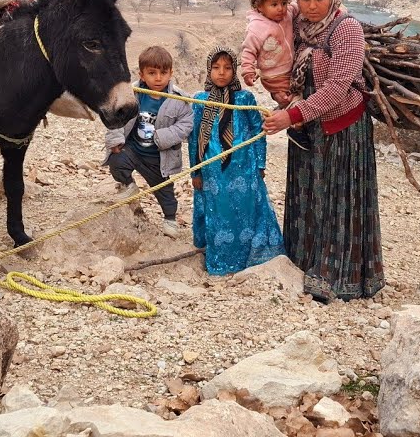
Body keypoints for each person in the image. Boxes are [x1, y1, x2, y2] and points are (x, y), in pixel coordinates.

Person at [263, 0, 384, 302]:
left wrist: (290, 116)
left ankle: (338, 276)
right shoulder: (297, 30)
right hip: (307, 126)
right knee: (309, 195)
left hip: (342, 128)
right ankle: (304, 262)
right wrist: (283, 99)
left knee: (336, 199)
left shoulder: (347, 29)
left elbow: (336, 88)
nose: (312, 6)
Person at [189, 48, 286, 275]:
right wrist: (196, 173)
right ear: (208, 70)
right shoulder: (200, 101)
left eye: (227, 68)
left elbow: (258, 132)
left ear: (234, 71)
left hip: (244, 168)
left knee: (247, 212)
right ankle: (221, 263)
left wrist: (260, 164)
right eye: (216, 68)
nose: (221, 73)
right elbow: (194, 138)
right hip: (213, 172)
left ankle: (252, 258)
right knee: (218, 214)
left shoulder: (245, 99)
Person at [104, 46, 194, 238]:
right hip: (134, 150)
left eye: (163, 73)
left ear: (171, 73)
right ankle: (128, 186)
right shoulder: (132, 93)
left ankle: (170, 218)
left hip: (158, 158)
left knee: (164, 191)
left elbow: (186, 124)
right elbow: (117, 117)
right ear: (142, 74)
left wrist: (164, 136)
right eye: (152, 73)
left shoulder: (178, 99)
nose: (158, 78)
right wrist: (116, 139)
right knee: (116, 161)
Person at [240, 0, 296, 108]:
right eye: (274, 4)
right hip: (273, 75)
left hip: (289, 69)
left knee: (293, 95)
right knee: (288, 98)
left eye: (283, 3)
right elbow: (249, 50)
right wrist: (248, 71)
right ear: (259, 6)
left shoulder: (287, 14)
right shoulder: (257, 28)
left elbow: (297, 6)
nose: (280, 8)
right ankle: (293, 119)